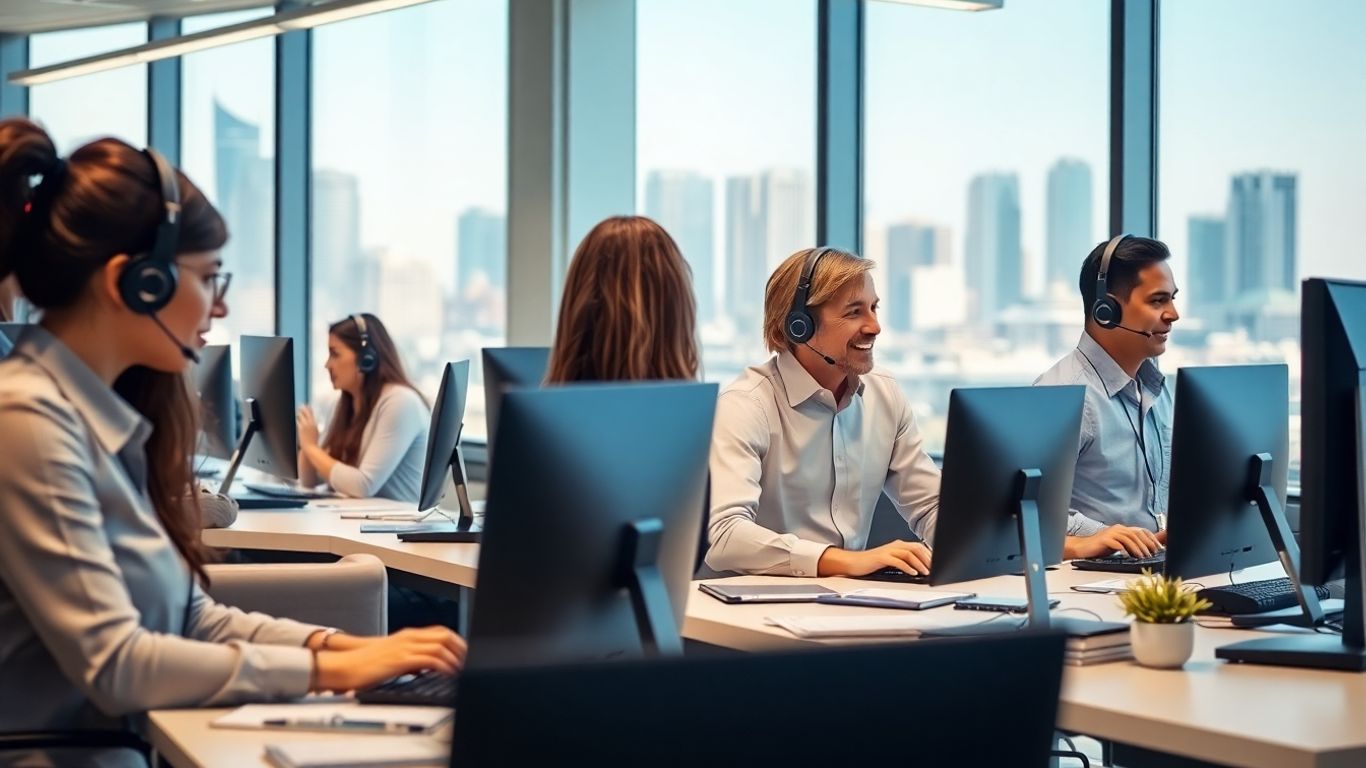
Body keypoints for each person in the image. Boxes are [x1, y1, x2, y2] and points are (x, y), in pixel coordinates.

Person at [0, 119, 464, 764]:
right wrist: (328, 674)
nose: (219, 306)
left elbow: (194, 618)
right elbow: (117, 665)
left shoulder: (101, 424)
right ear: (137, 283)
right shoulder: (27, 422)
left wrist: (347, 649)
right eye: (210, 277)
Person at [705, 247, 939, 578]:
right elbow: (727, 536)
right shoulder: (746, 405)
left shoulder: (885, 395)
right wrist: (845, 561)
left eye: (874, 308)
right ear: (799, 325)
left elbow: (930, 505)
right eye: (854, 312)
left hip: (852, 604)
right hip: (758, 609)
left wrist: (979, 551)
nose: (875, 327)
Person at [544, 215, 707, 570]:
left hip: (548, 625)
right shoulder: (688, 428)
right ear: (678, 309)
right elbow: (687, 560)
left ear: (578, 304)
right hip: (658, 623)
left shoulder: (549, 428)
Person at [1035, 234, 1177, 560]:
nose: (1173, 314)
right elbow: (1027, 515)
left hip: (1155, 569)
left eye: (1172, 299)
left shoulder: (1159, 392)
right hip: (1090, 578)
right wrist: (1104, 536)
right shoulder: (1063, 395)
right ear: (1106, 310)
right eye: (1158, 301)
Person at [296, 313, 429, 502]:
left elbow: (363, 485)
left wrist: (311, 448)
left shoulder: (400, 402)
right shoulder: (343, 404)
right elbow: (310, 481)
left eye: (335, 354)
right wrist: (308, 445)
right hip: (360, 522)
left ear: (367, 359)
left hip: (395, 528)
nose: (327, 365)